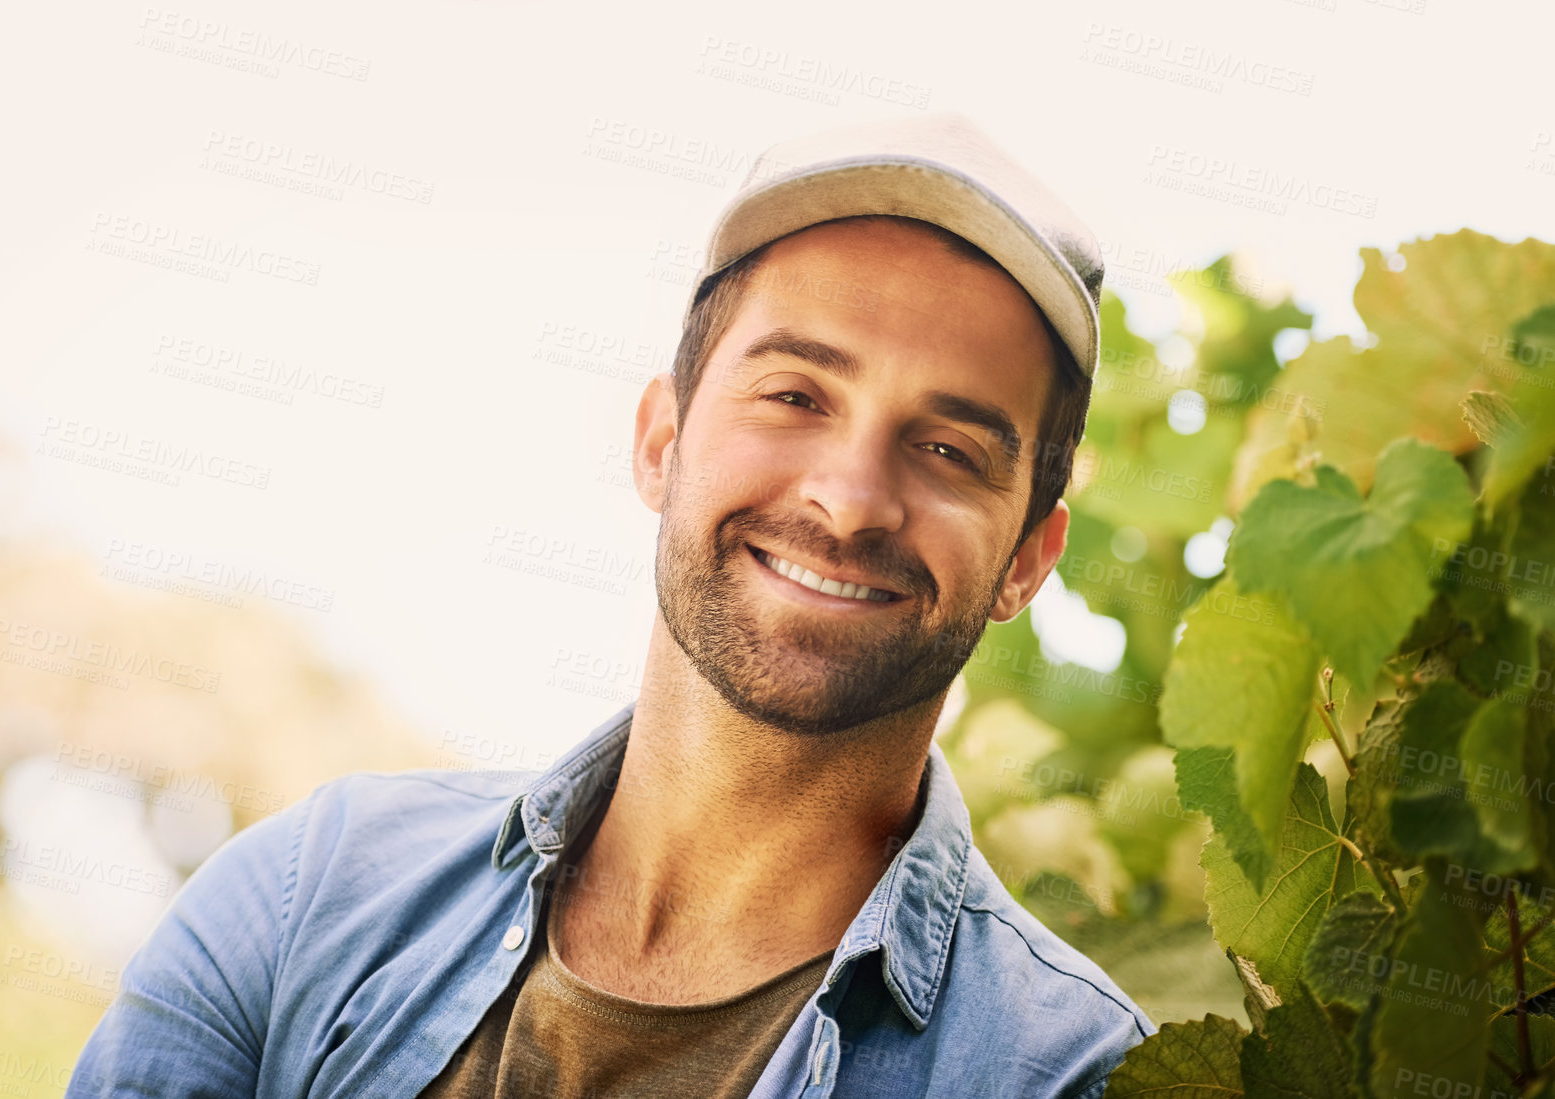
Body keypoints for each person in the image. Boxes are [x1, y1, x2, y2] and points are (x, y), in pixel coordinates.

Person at [65, 112, 1153, 1099]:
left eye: (946, 448)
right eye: (793, 395)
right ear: (660, 440)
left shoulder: (1069, 1075)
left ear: (1027, 557)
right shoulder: (308, 897)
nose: (850, 497)